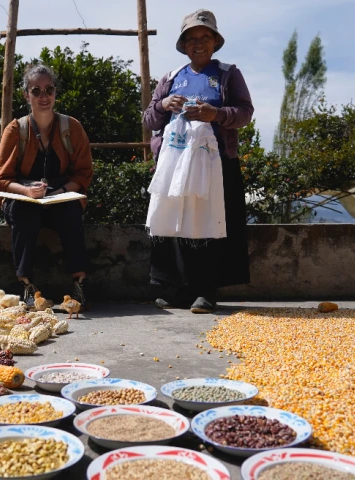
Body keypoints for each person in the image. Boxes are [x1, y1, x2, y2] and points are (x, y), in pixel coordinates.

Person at [142, 9, 254, 313]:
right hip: (175, 165)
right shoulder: (171, 77)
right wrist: (164, 104)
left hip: (215, 164)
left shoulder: (228, 73)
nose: (198, 43)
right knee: (174, 224)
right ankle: (175, 288)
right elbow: (150, 119)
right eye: (191, 38)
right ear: (184, 44)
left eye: (205, 37)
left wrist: (215, 114)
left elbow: (245, 113)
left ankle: (206, 291)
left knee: (209, 222)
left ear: (215, 42)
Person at [0, 63, 94, 309]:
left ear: (56, 93)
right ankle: (27, 285)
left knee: (70, 211)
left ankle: (79, 284)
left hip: (61, 193)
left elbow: (84, 173)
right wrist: (27, 192)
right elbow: (1, 180)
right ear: (26, 94)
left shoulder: (72, 128)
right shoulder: (16, 130)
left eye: (49, 90)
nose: (43, 96)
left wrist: (61, 192)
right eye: (36, 91)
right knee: (24, 212)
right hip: (24, 195)